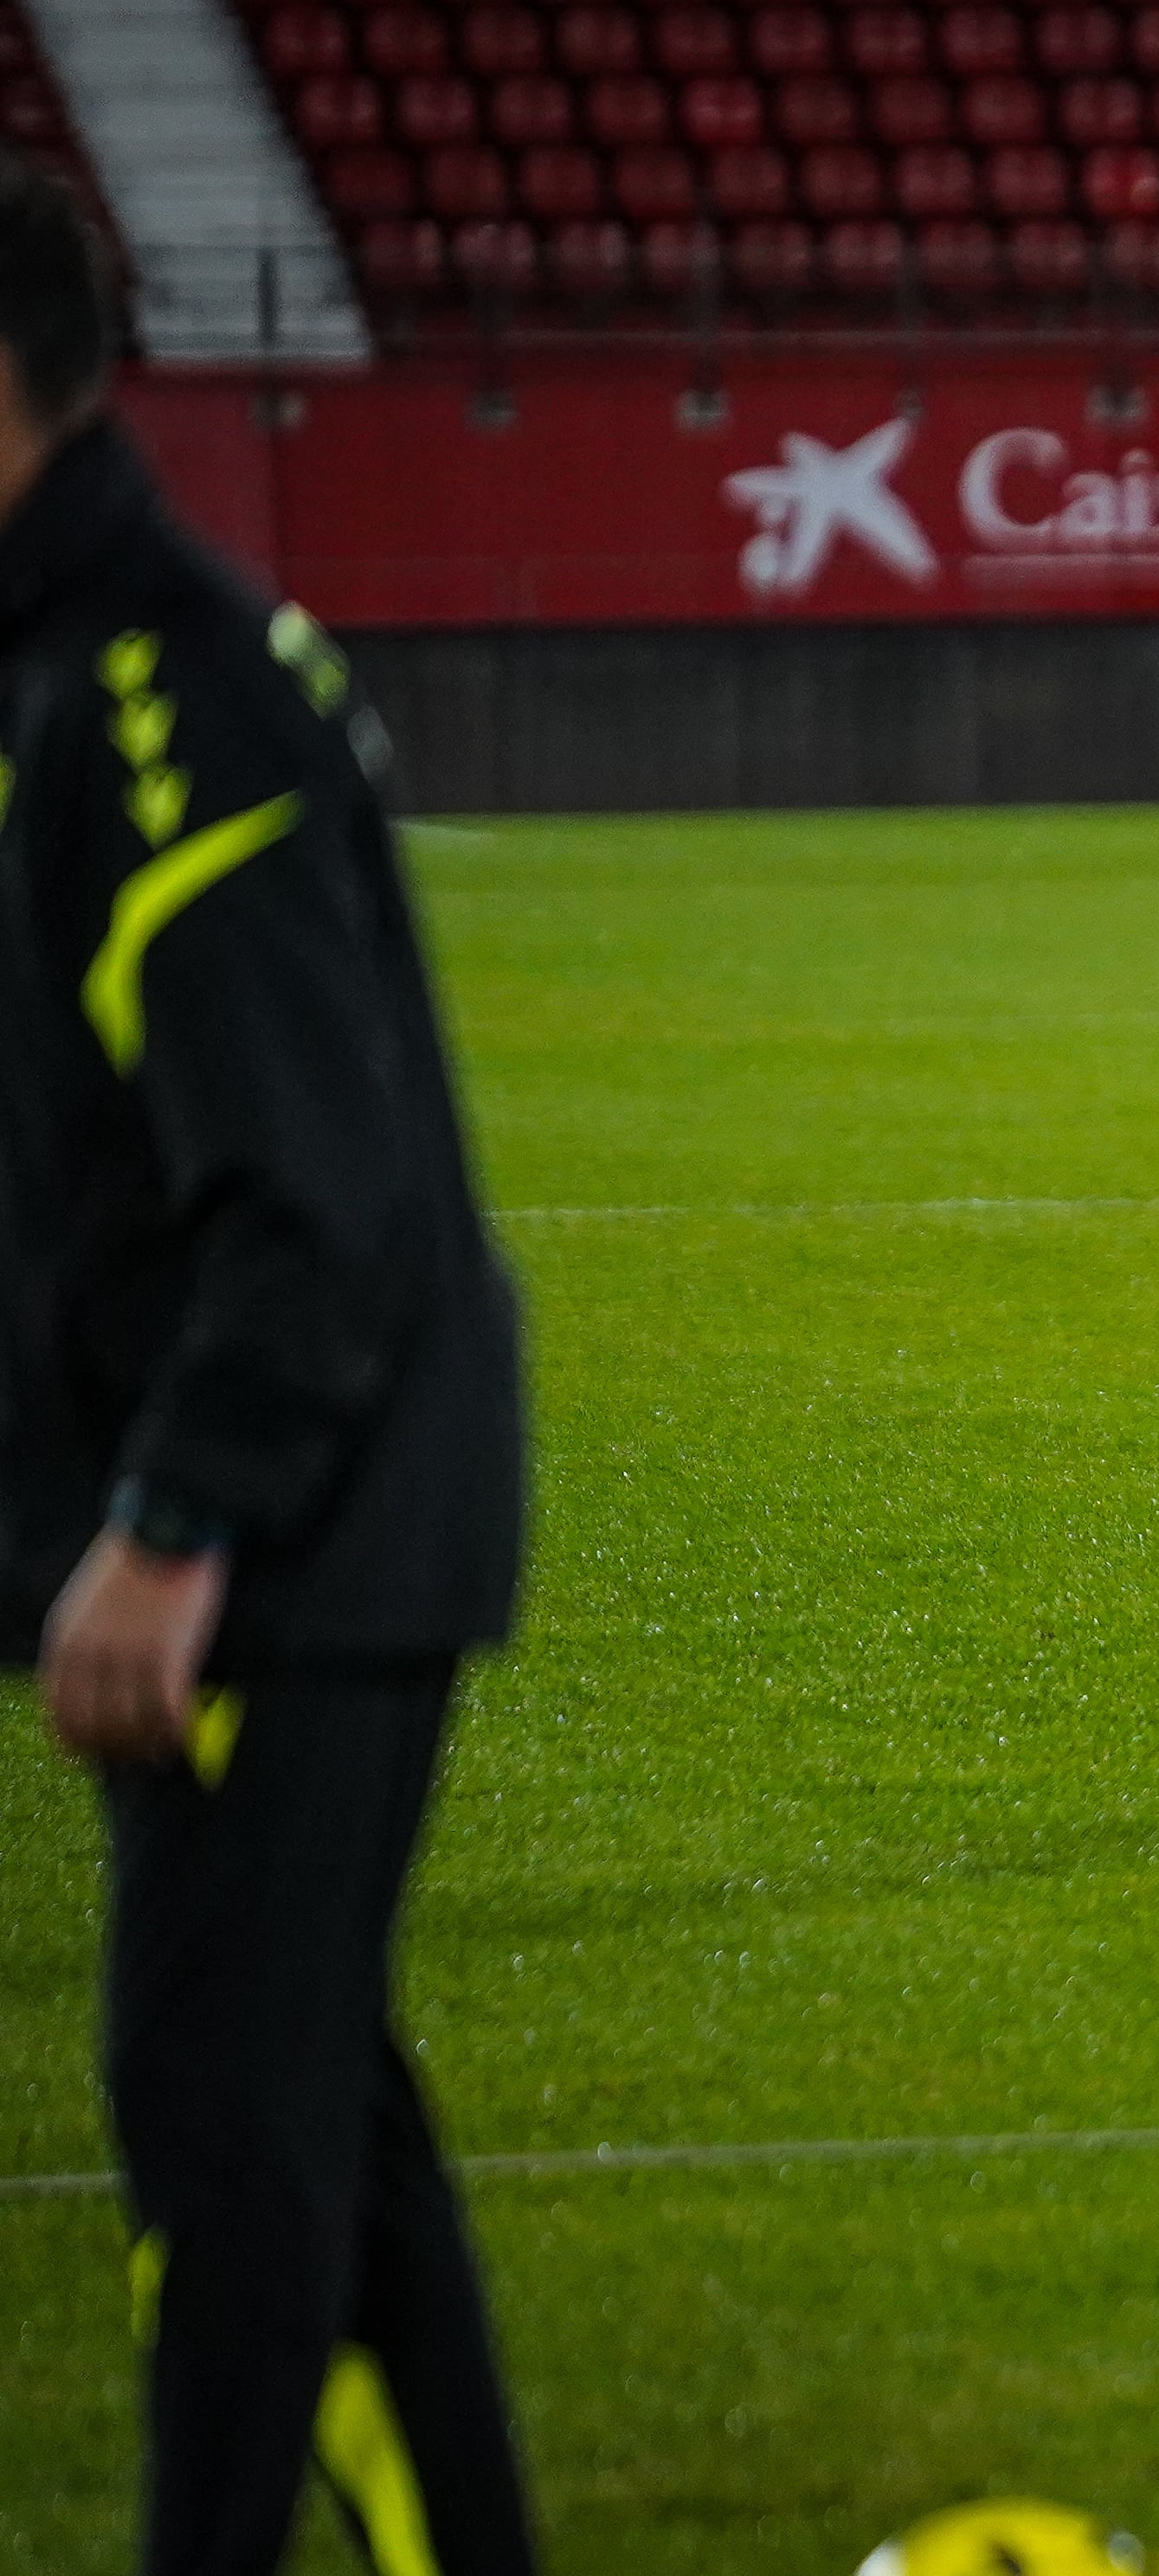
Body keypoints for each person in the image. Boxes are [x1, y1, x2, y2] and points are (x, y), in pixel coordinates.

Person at [0, 158, 542, 2573]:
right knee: (312, 2131)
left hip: (295, 1543)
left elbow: (311, 1195)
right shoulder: (76, 672)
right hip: (261, 1522)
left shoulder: (149, 694)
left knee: (229, 2134)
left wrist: (173, 1521)